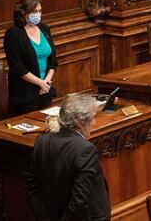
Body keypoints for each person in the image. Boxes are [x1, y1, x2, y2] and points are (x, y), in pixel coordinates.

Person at [25, 93, 111, 221]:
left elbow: (31, 190)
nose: (94, 122)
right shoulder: (85, 149)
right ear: (80, 122)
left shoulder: (42, 142)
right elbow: (80, 199)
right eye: (92, 118)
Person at [4, 0, 58, 116]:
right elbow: (17, 68)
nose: (38, 14)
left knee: (46, 125)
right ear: (23, 13)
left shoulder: (44, 28)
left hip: (45, 89)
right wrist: (40, 83)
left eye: (39, 11)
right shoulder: (13, 34)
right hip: (25, 93)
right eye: (34, 11)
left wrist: (46, 82)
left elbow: (53, 61)